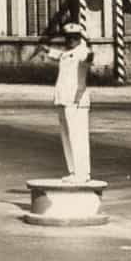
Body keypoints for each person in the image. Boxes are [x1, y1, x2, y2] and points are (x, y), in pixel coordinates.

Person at [44, 22, 94, 183]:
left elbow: (88, 57)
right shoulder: (67, 53)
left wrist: (90, 46)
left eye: (74, 37)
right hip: (64, 99)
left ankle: (83, 173)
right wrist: (45, 49)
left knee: (78, 137)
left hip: (76, 100)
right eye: (68, 37)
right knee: (67, 136)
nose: (70, 40)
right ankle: (73, 171)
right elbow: (57, 55)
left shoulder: (82, 51)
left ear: (79, 38)